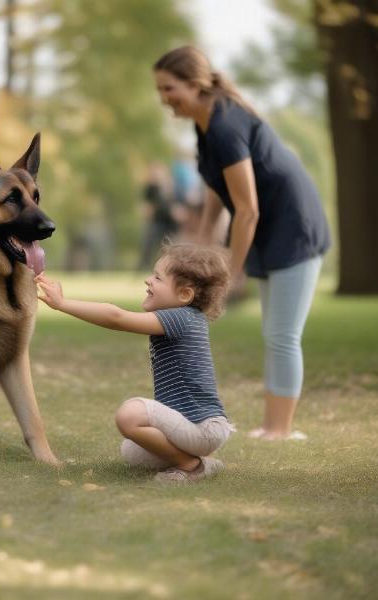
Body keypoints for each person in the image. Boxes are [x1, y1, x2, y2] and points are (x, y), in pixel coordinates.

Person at [153, 46, 331, 440]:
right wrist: (201, 239)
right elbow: (219, 190)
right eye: (160, 91)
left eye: (169, 88)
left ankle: (280, 429)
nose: (164, 98)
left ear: (196, 84)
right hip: (268, 227)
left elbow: (247, 209)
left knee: (282, 333)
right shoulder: (205, 125)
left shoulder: (225, 126)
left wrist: (230, 272)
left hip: (293, 227)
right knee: (275, 331)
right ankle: (273, 426)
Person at [36, 242, 235, 484]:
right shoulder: (186, 318)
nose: (148, 281)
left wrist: (63, 304)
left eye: (158, 278)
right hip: (197, 429)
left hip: (204, 428)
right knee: (131, 452)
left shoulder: (181, 318)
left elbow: (116, 318)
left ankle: (191, 466)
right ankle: (204, 460)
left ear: (184, 294)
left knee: (130, 415)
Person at [137, 161, 181, 270]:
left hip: (170, 223)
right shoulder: (151, 188)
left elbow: (175, 204)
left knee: (169, 246)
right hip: (157, 221)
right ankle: (145, 267)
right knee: (149, 245)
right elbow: (147, 207)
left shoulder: (170, 186)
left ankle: (169, 269)